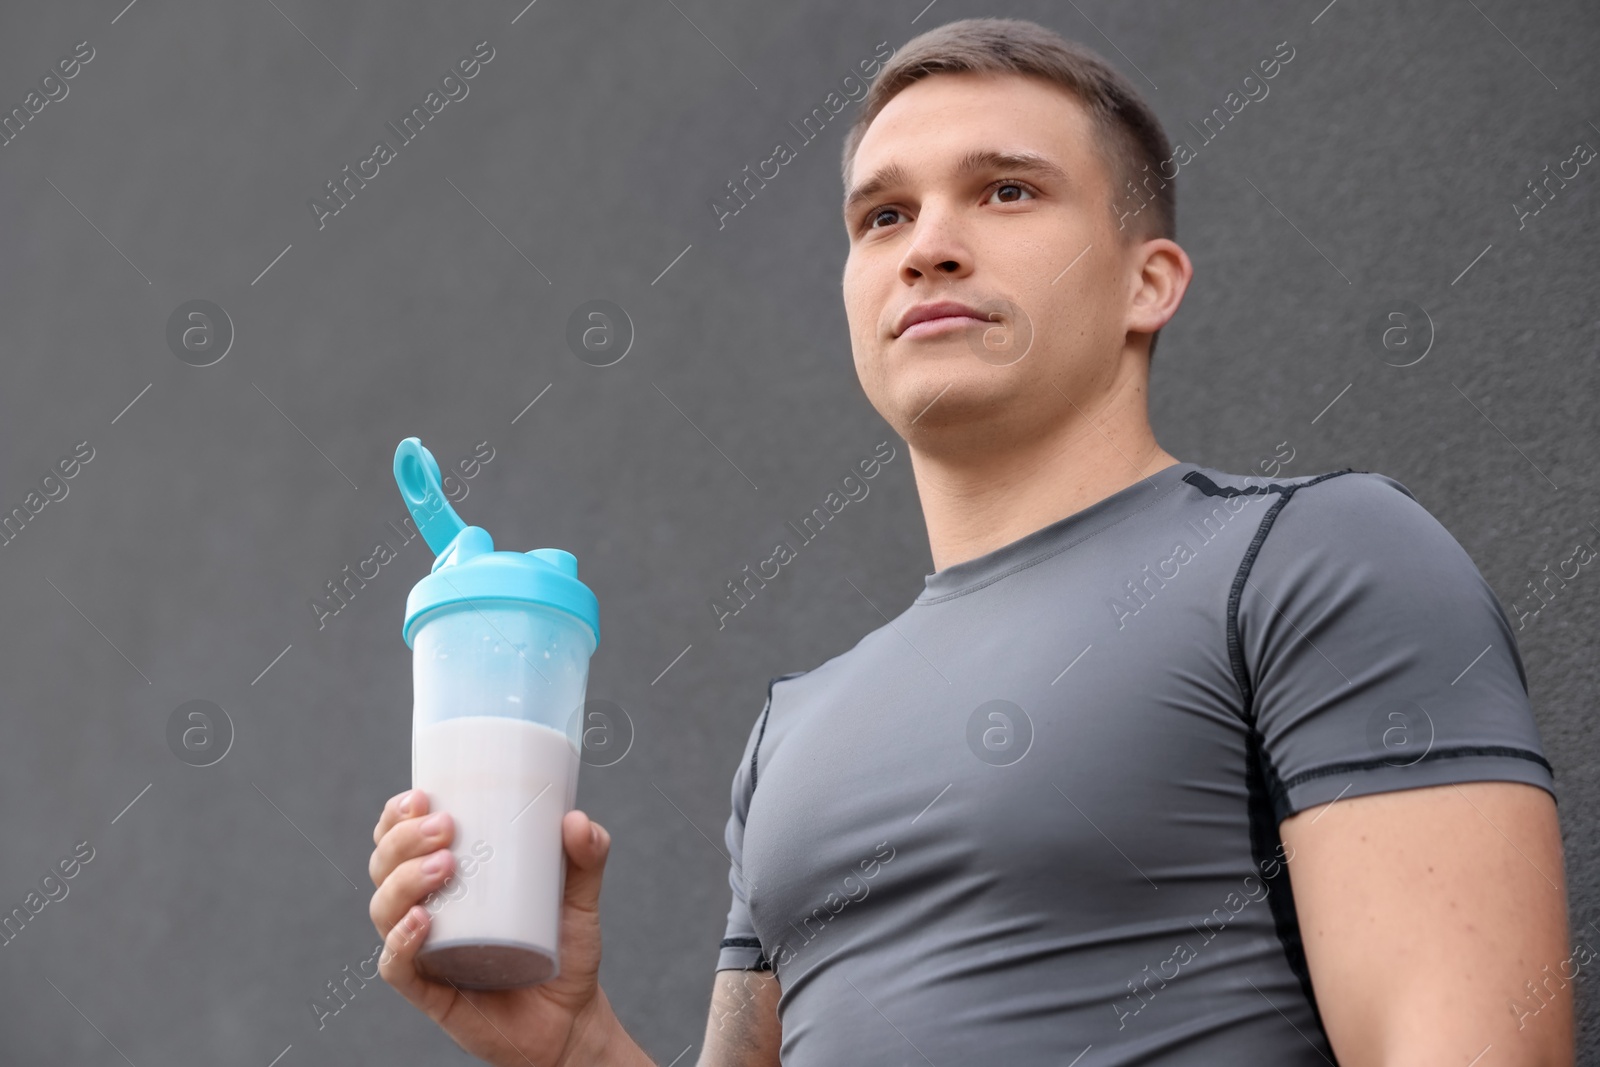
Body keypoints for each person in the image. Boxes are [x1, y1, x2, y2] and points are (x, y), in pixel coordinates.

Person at [368, 16, 1574, 1066]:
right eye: (882, 212)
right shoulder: (793, 727)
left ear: (1147, 281)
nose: (926, 243)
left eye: (1005, 190)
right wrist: (576, 1044)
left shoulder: (1320, 560)